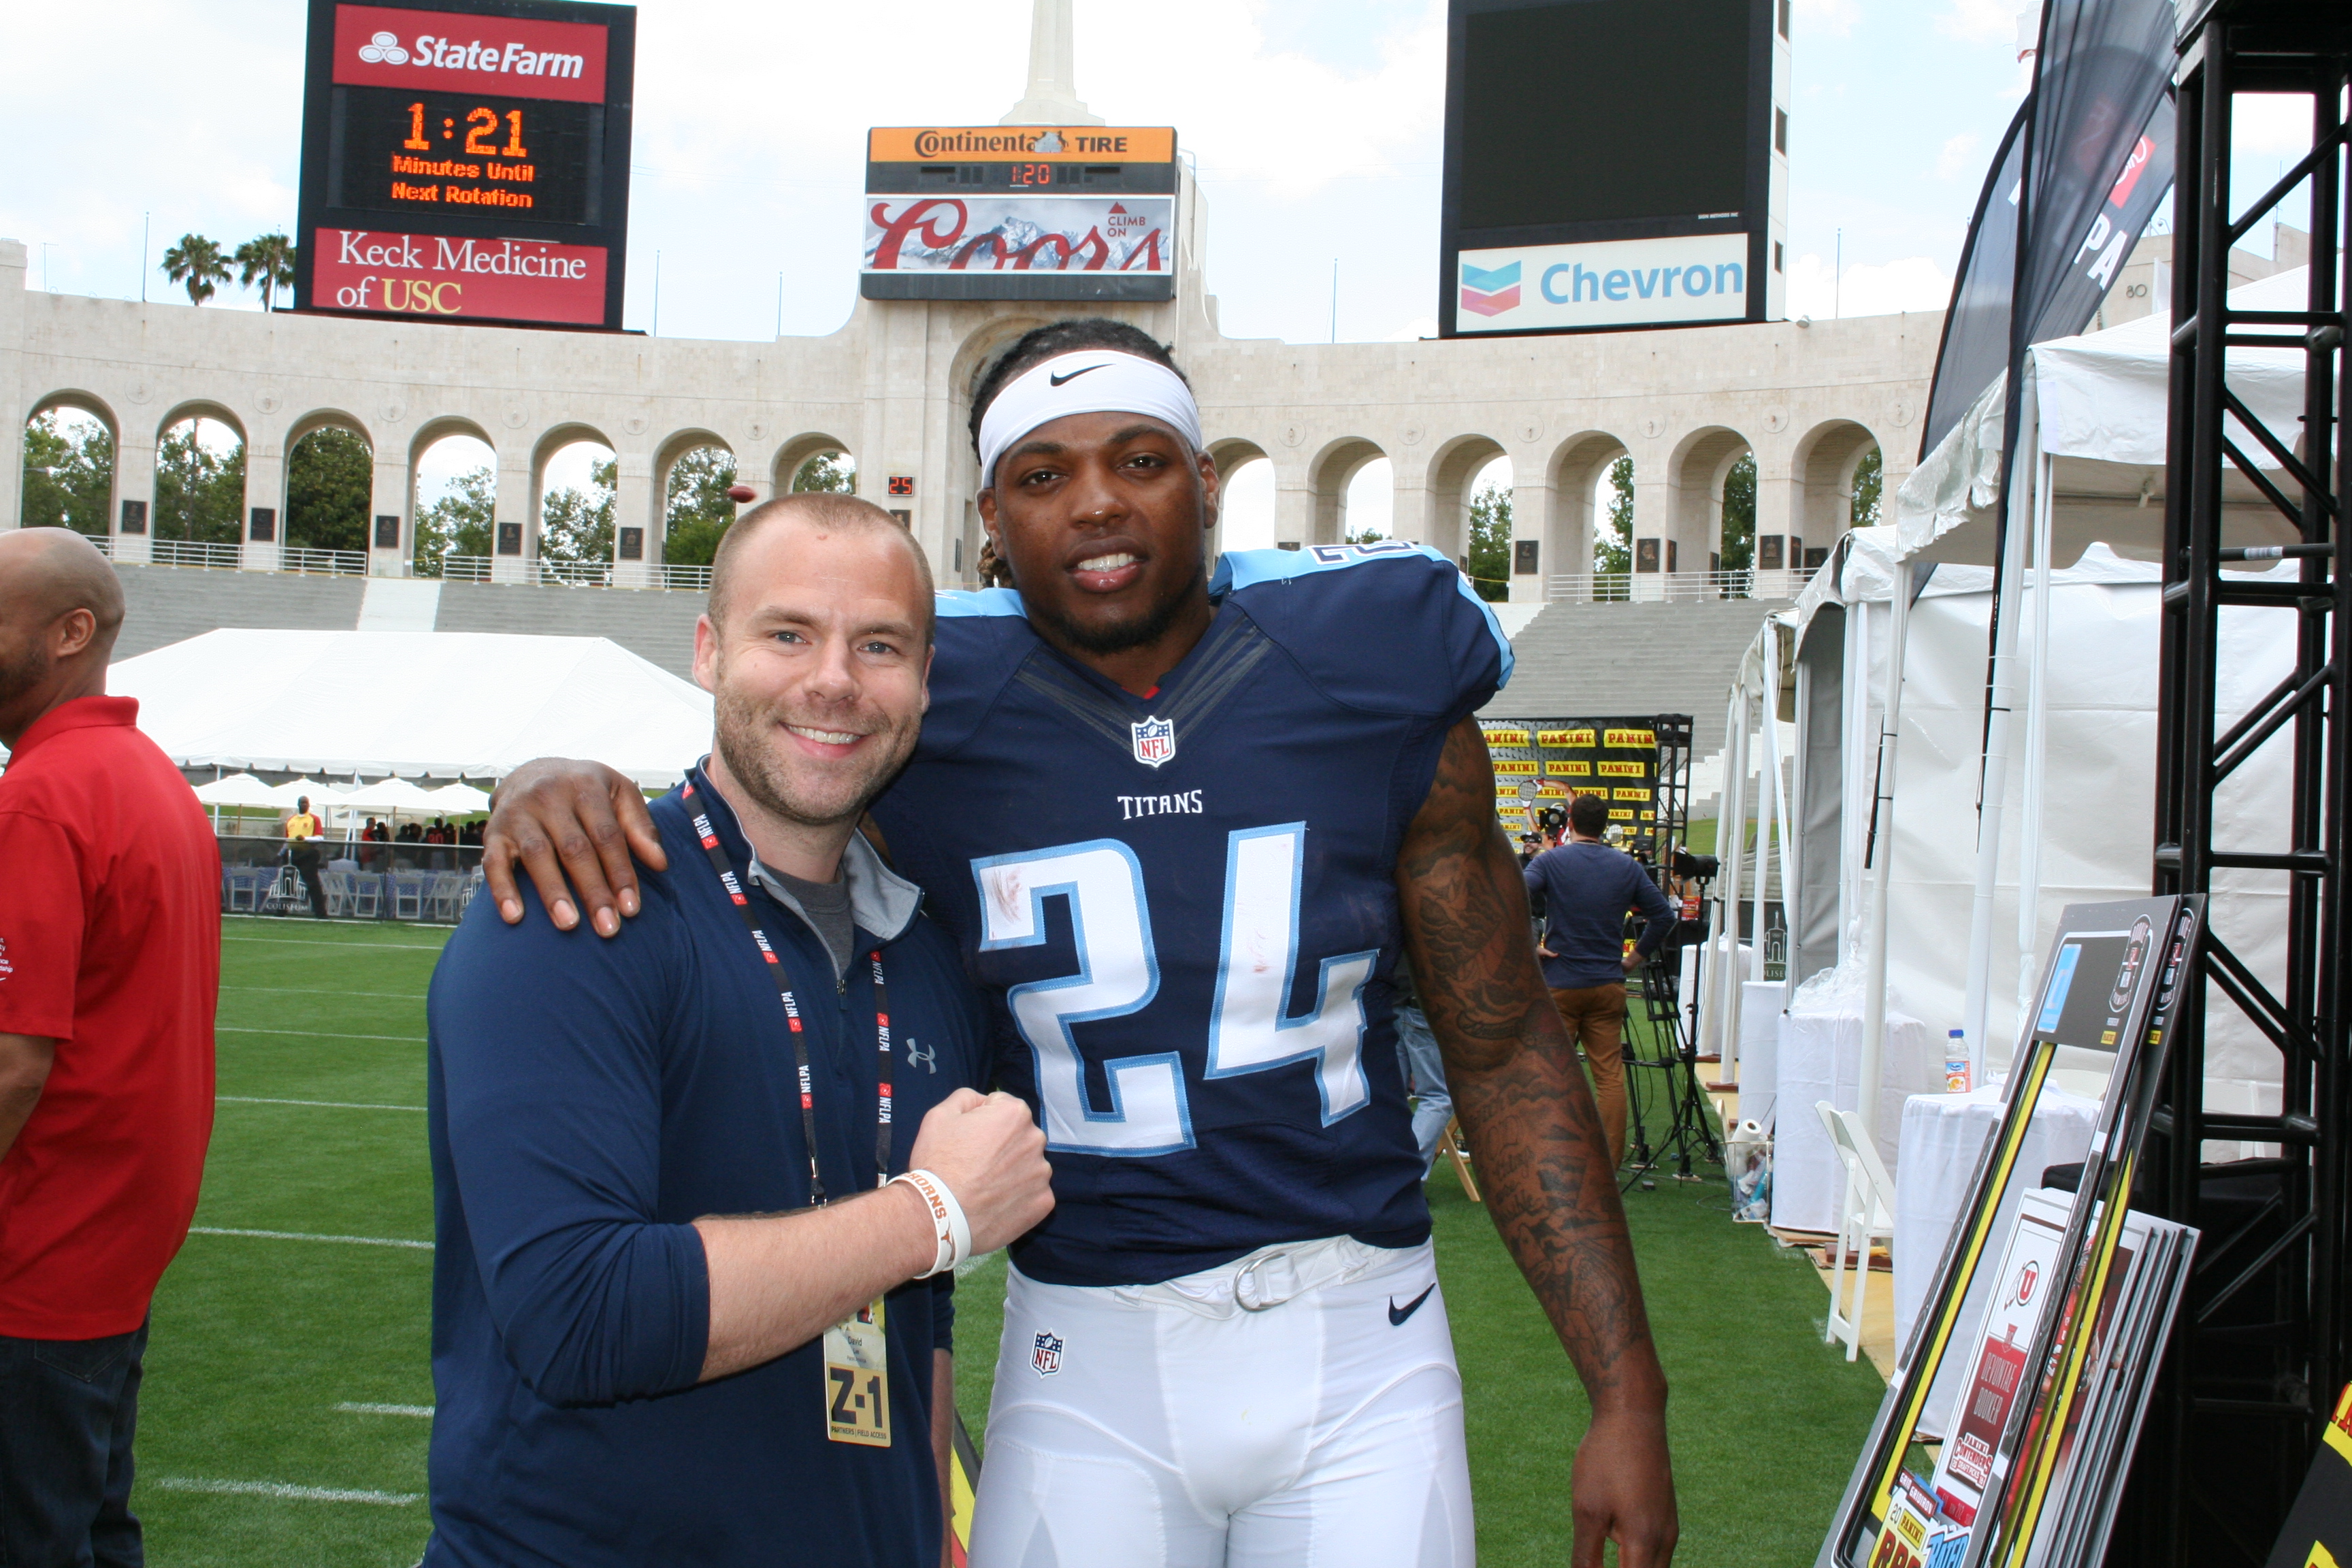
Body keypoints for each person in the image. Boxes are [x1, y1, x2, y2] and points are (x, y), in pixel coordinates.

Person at [481, 319, 1677, 1567]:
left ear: (1208, 482)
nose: (1097, 503)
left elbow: (1501, 1046)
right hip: (1082, 1346)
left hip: (1360, 1330)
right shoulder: (929, 705)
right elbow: (753, 791)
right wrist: (555, 776)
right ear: (990, 518)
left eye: (1141, 459)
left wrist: (1626, 1392)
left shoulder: (1374, 665)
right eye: (1044, 475)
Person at [424, 493, 1056, 1567]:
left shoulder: (923, 946)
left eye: (881, 646)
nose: (835, 681)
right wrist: (934, 1211)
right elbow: (580, 1313)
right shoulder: (581, 902)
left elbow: (920, 1316)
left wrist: (929, 1522)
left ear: (923, 683)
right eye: (789, 634)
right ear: (710, 651)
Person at [0, 527, 220, 1567]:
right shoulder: (149, 777)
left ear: (68, 633)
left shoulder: (42, 795)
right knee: (91, 1524)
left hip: (38, 1242)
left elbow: (14, 1060)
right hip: (111, 1232)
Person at [1523, 791, 1680, 1169]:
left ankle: (1550, 1157)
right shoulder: (1626, 866)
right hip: (1608, 983)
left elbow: (1510, 896)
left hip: (1562, 981)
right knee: (1609, 1077)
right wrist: (1632, 961)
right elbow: (1663, 917)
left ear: (1571, 823)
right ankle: (1608, 1164)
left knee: (1553, 1073)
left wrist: (1530, 947)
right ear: (1605, 825)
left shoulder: (1552, 861)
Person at [283, 794, 328, 917]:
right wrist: (280, 854)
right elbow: (287, 840)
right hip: (293, 854)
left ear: (309, 805)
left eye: (306, 803)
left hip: (308, 854)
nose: (304, 805)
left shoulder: (314, 819)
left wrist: (305, 838)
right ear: (298, 804)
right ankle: (282, 911)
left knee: (313, 884)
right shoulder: (291, 820)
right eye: (302, 802)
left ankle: (321, 913)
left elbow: (319, 838)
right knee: (287, 883)